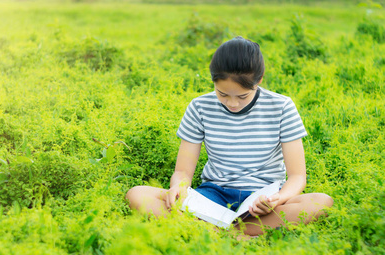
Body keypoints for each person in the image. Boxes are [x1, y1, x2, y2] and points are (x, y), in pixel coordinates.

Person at [126, 36, 333, 236]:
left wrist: (277, 199)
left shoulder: (281, 107)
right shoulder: (199, 107)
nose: (232, 104)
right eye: (222, 94)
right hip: (213, 195)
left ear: (259, 80)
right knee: (137, 194)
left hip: (262, 199)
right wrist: (178, 188)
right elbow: (182, 171)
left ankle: (211, 231)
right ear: (213, 81)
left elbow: (297, 177)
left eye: (242, 96)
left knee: (321, 202)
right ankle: (238, 234)